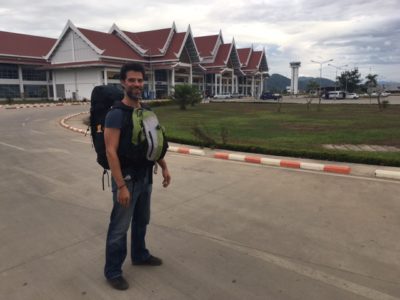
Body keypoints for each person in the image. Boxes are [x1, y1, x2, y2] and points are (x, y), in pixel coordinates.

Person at [103, 63, 171, 290]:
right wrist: (121, 185)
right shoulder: (115, 114)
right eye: (131, 80)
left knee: (142, 220)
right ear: (123, 82)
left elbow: (152, 143)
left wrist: (163, 165)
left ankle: (140, 255)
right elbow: (110, 151)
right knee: (119, 227)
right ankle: (113, 271)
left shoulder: (147, 111)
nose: (136, 84)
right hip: (127, 180)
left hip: (145, 177)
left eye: (140, 80)